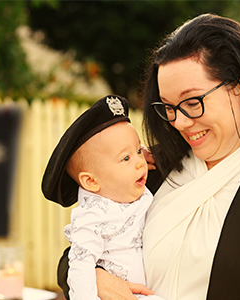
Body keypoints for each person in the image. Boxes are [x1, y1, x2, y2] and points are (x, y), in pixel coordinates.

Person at [57, 13, 240, 300]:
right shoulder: (151, 168)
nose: (179, 122)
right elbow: (78, 249)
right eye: (169, 107)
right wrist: (98, 280)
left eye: (192, 103)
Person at [41, 95, 165, 300]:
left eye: (138, 151)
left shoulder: (130, 194)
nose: (140, 162)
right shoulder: (94, 216)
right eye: (125, 158)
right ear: (90, 182)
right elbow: (80, 264)